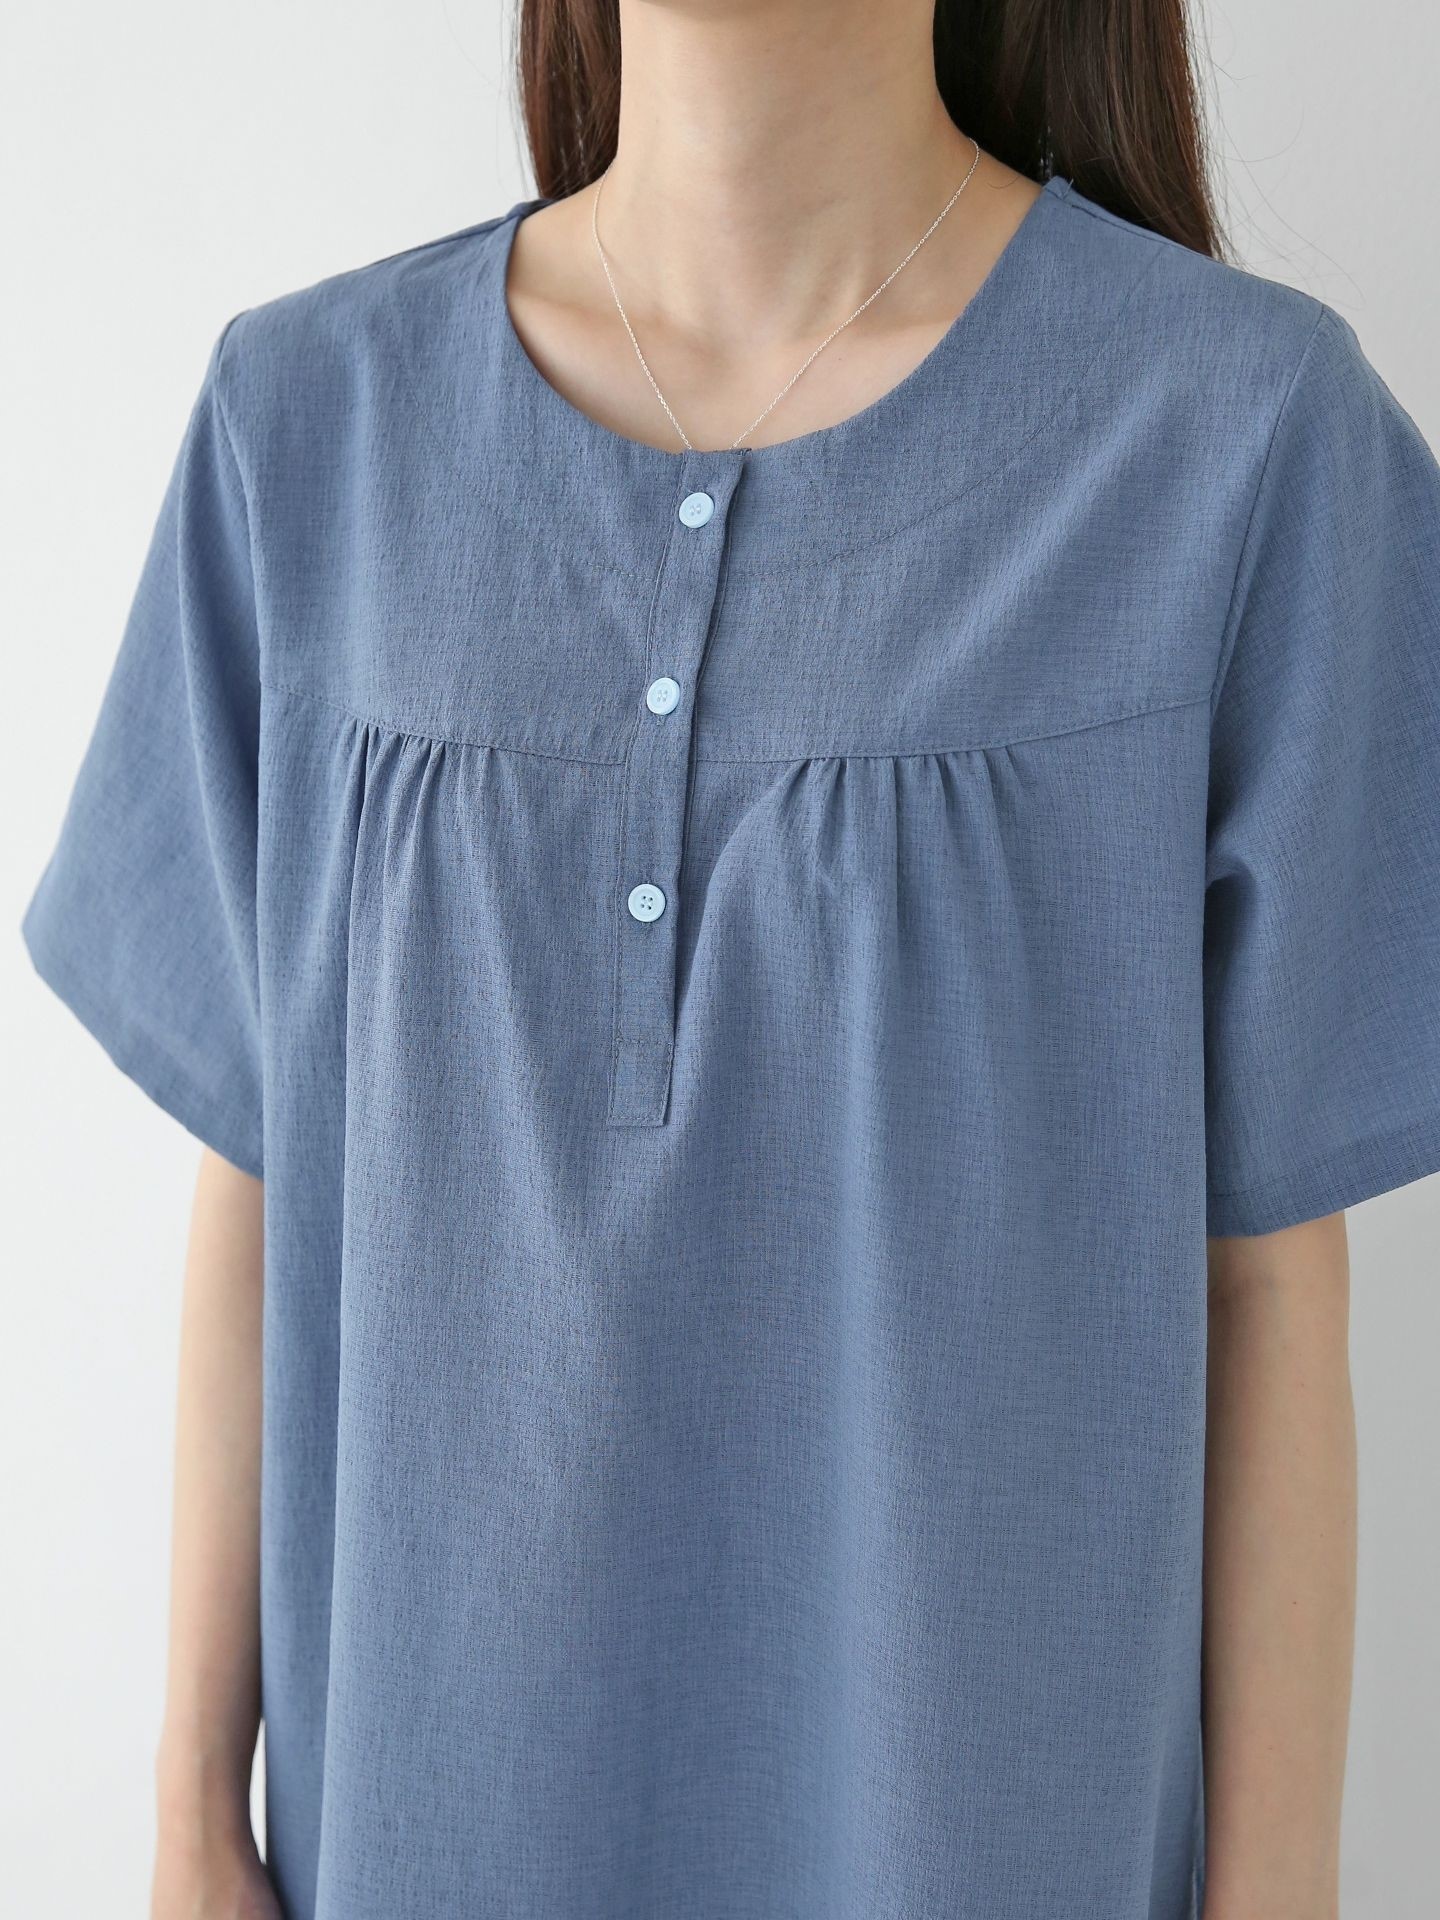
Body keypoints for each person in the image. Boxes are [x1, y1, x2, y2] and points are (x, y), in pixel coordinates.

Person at [19, 3, 1440, 1917]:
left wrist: (1279, 1894)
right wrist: (193, 1812)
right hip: (426, 1841)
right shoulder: (309, 427)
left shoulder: (1246, 444)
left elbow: (1270, 1286)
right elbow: (261, 1184)